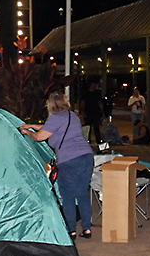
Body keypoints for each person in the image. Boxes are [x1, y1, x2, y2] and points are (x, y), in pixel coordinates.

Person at [20, 91, 94, 241]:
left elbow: (40, 137)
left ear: (50, 104)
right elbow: (50, 127)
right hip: (87, 157)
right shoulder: (72, 116)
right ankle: (87, 228)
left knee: (67, 196)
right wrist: (33, 125)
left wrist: (27, 132)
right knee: (82, 194)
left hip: (69, 160)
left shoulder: (54, 117)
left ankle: (71, 230)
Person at [81, 79, 103, 144]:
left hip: (96, 112)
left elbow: (99, 102)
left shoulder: (97, 93)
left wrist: (102, 110)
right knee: (88, 127)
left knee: (96, 127)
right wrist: (82, 111)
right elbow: (83, 103)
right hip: (88, 112)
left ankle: (98, 140)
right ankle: (87, 140)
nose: (95, 86)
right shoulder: (86, 93)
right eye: (94, 84)